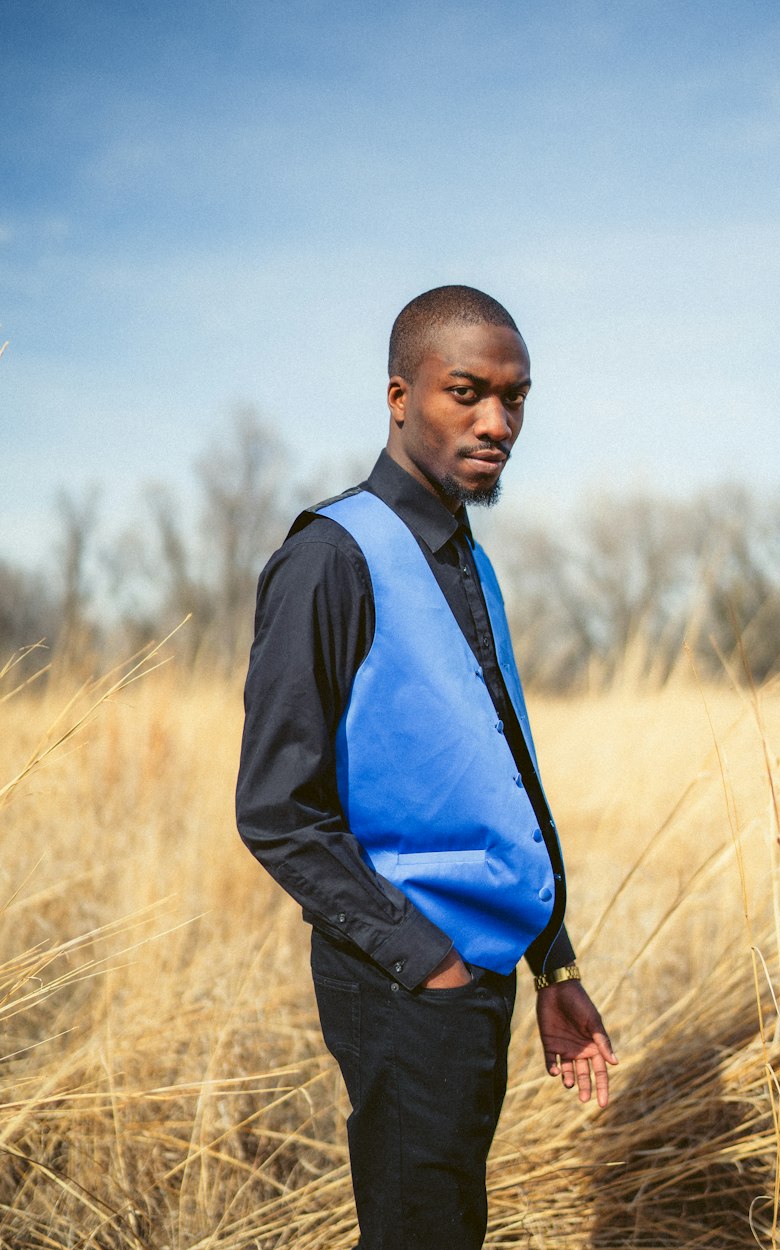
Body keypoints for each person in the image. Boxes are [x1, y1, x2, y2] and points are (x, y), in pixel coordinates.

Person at [236, 284, 615, 1250]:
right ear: (400, 396)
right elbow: (277, 810)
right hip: (403, 982)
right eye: (467, 392)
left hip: (475, 974)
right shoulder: (331, 557)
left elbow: (493, 782)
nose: (498, 422)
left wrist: (551, 960)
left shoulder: (465, 556)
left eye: (517, 398)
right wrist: (428, 964)